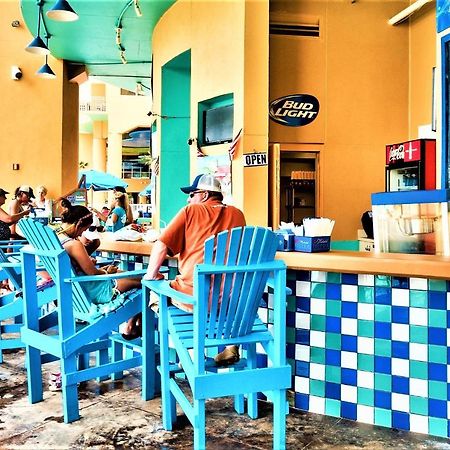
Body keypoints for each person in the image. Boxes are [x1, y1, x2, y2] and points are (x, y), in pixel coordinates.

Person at [126, 174, 246, 365]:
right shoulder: (237, 214)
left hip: (195, 297)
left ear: (205, 194)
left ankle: (190, 353)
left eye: (192, 194)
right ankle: (231, 345)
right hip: (233, 301)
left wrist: (150, 277)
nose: (188, 199)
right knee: (215, 287)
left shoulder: (190, 211)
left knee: (155, 293)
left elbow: (162, 245)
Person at [56, 203, 141, 305]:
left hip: (75, 289)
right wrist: (107, 273)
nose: (81, 234)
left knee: (132, 275)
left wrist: (102, 270)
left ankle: (133, 321)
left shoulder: (56, 238)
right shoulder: (74, 245)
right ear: (78, 224)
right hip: (95, 291)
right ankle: (134, 321)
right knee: (142, 282)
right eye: (83, 230)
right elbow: (93, 273)